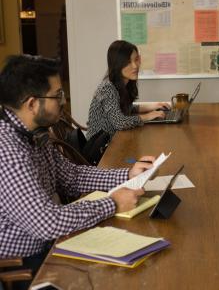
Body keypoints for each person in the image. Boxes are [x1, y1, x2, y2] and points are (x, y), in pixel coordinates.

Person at [0, 55, 154, 287]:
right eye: (57, 95)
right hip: (23, 264)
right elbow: (47, 222)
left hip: (49, 245)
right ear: (32, 103)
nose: (64, 101)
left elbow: (72, 177)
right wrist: (112, 203)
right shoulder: (7, 150)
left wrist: (128, 174)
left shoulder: (34, 133)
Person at [86, 40, 170, 140]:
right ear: (117, 64)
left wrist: (154, 106)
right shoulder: (107, 88)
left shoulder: (125, 83)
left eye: (136, 60)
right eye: (128, 62)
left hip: (115, 140)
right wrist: (147, 116)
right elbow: (120, 122)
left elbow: (126, 109)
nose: (135, 66)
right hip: (100, 150)